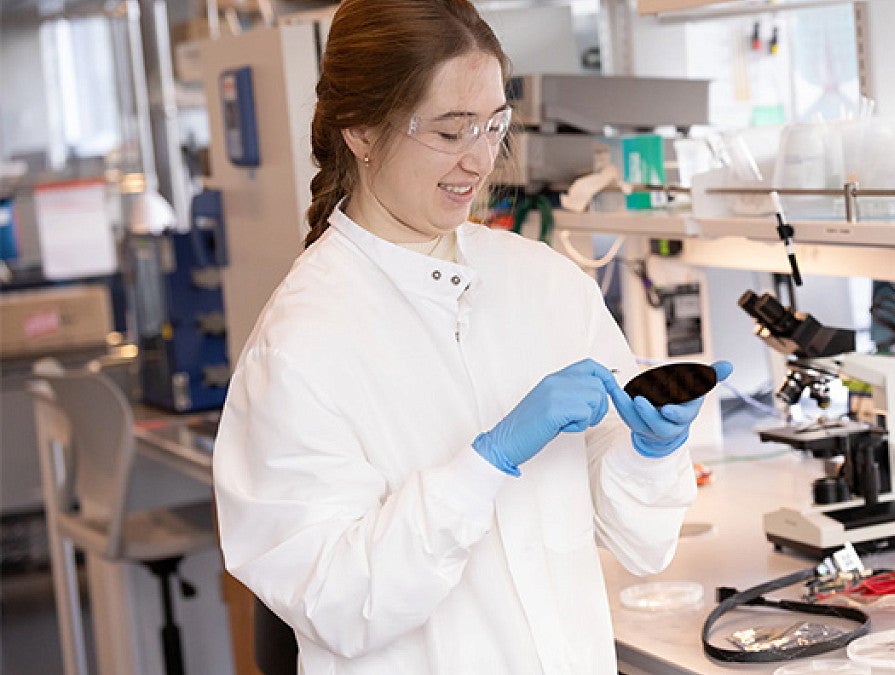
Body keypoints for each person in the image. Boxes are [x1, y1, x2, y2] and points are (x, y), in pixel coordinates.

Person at [211, 1, 731, 672]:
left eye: (493, 125)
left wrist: (650, 449)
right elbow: (338, 601)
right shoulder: (300, 344)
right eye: (451, 132)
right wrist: (485, 462)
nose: (481, 160)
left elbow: (642, 544)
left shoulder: (544, 284)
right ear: (361, 132)